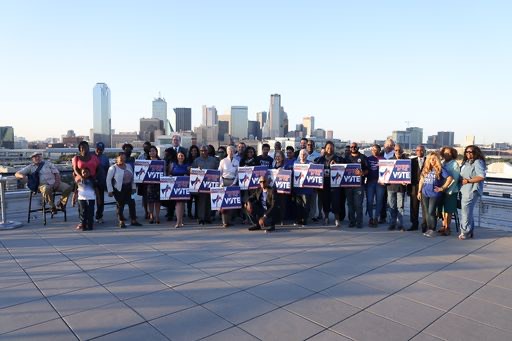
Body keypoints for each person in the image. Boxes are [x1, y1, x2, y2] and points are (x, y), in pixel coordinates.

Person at [417, 152, 453, 238]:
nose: (432, 161)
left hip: (435, 194)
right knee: (426, 212)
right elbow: (421, 180)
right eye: (430, 159)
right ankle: (429, 229)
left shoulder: (440, 169)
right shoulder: (426, 169)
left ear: (437, 160)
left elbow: (450, 178)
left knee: (431, 211)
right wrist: (419, 191)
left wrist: (442, 188)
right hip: (425, 192)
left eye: (434, 159)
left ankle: (432, 229)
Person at [106, 153, 142, 228]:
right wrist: (110, 190)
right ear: (117, 158)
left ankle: (133, 220)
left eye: (124, 158)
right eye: (120, 158)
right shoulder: (113, 168)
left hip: (128, 188)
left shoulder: (128, 166)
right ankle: (121, 221)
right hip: (118, 189)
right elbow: (108, 179)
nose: (122, 160)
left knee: (131, 203)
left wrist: (133, 187)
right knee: (120, 205)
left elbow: (133, 177)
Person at [459, 145, 486, 240]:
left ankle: (465, 232)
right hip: (465, 189)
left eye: (471, 152)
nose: (468, 153)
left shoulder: (477, 162)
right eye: (466, 152)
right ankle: (469, 231)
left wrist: (468, 181)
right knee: (468, 211)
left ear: (476, 153)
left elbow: (481, 176)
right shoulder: (466, 163)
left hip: (472, 189)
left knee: (465, 211)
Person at [316, 141, 344, 227]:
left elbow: (344, 168)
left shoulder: (339, 159)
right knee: (325, 202)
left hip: (335, 185)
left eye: (331, 147)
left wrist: (337, 165)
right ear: (325, 148)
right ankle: (326, 217)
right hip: (324, 184)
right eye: (328, 147)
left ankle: (337, 219)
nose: (329, 149)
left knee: (336, 202)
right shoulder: (319, 159)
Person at [191, 145, 219, 225]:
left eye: (205, 150)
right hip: (201, 185)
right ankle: (201, 218)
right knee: (201, 202)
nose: (203, 152)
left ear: (208, 151)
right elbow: (193, 171)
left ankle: (208, 217)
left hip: (211, 184)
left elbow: (218, 170)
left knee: (209, 201)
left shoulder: (213, 160)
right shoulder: (196, 161)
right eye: (202, 151)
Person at [438, 146, 461, 236]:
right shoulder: (443, 163)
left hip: (451, 191)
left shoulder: (455, 164)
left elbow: (455, 178)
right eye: (445, 153)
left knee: (448, 210)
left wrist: (447, 189)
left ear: (453, 154)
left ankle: (448, 228)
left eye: (449, 153)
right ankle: (443, 226)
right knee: (443, 210)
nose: (447, 154)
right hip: (442, 190)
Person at [345, 142, 369, 228]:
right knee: (350, 204)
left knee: (358, 205)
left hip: (359, 185)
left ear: (357, 147)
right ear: (350, 148)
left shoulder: (363, 157)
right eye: (351, 147)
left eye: (355, 147)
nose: (353, 148)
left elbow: (367, 170)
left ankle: (359, 222)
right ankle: (352, 221)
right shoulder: (346, 157)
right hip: (348, 185)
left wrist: (362, 173)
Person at [387, 144, 408, 231]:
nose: (398, 152)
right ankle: (392, 223)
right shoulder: (389, 161)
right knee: (391, 206)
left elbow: (409, 175)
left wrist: (407, 181)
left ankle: (400, 224)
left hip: (401, 188)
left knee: (400, 207)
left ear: (402, 150)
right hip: (390, 187)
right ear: (394, 151)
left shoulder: (407, 161)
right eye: (396, 150)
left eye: (399, 150)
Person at [218, 145, 239, 227]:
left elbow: (238, 174)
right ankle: (224, 222)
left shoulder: (236, 162)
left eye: (232, 150)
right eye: (229, 150)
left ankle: (229, 220)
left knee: (231, 202)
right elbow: (219, 173)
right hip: (224, 181)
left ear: (234, 152)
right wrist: (221, 183)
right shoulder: (222, 161)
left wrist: (234, 182)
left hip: (233, 181)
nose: (231, 152)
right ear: (227, 152)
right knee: (224, 202)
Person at [407, 145, 427, 232]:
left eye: (421, 150)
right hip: (414, 187)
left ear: (424, 151)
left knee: (425, 207)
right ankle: (414, 224)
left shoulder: (428, 160)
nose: (419, 151)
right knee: (414, 207)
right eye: (417, 150)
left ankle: (425, 225)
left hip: (425, 187)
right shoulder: (411, 161)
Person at [169, 151, 190, 228]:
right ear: (177, 156)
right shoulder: (173, 164)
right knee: (178, 203)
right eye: (179, 155)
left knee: (182, 204)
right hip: (175, 186)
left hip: (184, 186)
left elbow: (191, 173)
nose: (181, 157)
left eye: (182, 156)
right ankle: (178, 221)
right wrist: (170, 175)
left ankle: (180, 221)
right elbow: (169, 173)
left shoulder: (187, 165)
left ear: (184, 157)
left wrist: (187, 174)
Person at [293, 149, 312, 226]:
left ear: (307, 155)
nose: (303, 156)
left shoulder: (310, 164)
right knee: (298, 205)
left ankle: (304, 219)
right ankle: (298, 219)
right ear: (299, 155)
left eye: (304, 154)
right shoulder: (296, 163)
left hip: (307, 189)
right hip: (297, 189)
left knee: (306, 205)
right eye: (301, 154)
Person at [366, 144, 383, 227]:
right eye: (373, 150)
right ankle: (370, 218)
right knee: (369, 201)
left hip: (380, 183)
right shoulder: (368, 159)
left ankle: (376, 217)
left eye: (376, 150)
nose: (374, 151)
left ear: (379, 150)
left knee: (379, 201)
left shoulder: (383, 159)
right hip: (370, 182)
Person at [94, 142, 110, 224]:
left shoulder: (105, 158)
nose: (99, 151)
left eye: (101, 149)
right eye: (98, 149)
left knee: (100, 200)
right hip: (91, 181)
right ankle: (86, 216)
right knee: (89, 200)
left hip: (101, 181)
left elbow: (107, 170)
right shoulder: (90, 156)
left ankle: (99, 216)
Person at [146, 146, 162, 224]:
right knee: (150, 201)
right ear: (149, 153)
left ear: (156, 152)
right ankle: (151, 215)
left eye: (153, 151)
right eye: (150, 151)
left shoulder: (160, 161)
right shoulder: (146, 162)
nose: (152, 152)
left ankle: (157, 216)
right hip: (149, 184)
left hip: (158, 184)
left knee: (157, 201)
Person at [186, 145, 200, 219]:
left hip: (197, 182)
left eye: (195, 151)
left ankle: (197, 214)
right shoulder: (188, 160)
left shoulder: (199, 159)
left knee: (197, 199)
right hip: (189, 181)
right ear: (190, 152)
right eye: (192, 151)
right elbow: (186, 169)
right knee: (189, 199)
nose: (194, 152)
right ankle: (189, 213)